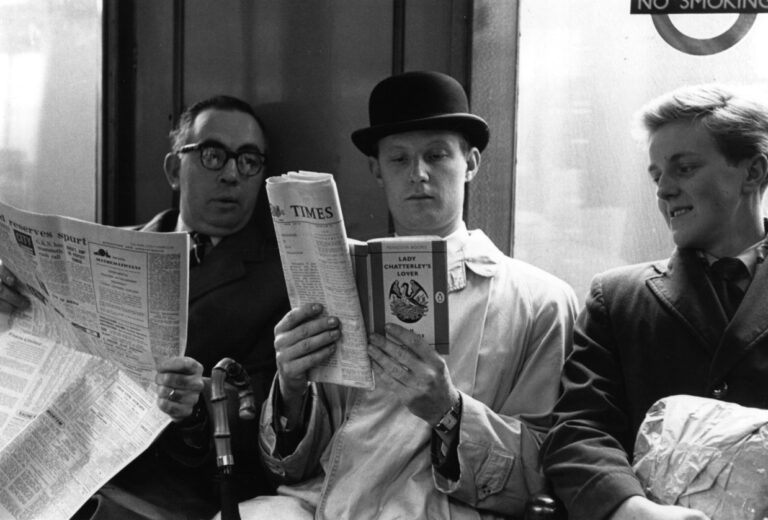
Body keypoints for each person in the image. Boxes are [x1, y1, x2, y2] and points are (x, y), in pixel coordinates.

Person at [227, 71, 578, 519]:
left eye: (437, 155)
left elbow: (546, 470)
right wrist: (291, 389)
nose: (418, 174)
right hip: (320, 505)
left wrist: (449, 412)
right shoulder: (339, 284)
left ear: (471, 163)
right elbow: (290, 468)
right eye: (398, 159)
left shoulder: (540, 300)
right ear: (377, 170)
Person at [0, 95, 290, 519]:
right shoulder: (110, 249)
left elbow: (266, 414)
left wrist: (195, 409)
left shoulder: (279, 280)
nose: (232, 174)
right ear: (174, 169)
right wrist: (11, 305)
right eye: (213, 155)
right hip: (70, 462)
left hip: (170, 489)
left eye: (248, 161)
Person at [540, 84, 768, 520]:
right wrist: (631, 510)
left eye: (684, 168)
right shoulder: (617, 298)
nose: (663, 190)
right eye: (656, 175)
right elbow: (579, 430)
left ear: (753, 172)